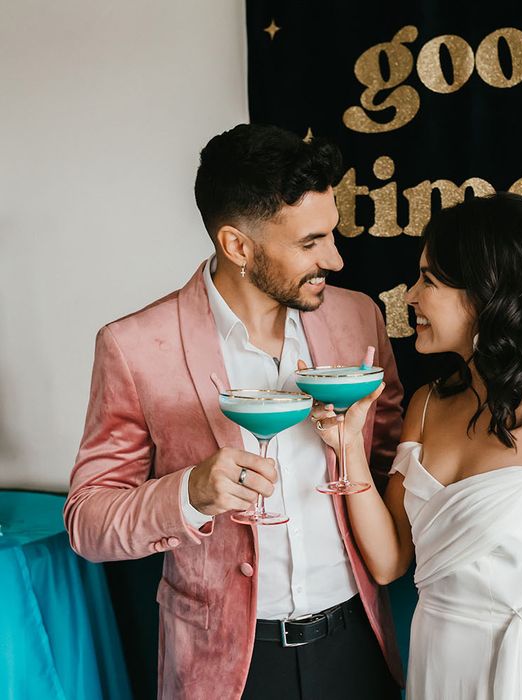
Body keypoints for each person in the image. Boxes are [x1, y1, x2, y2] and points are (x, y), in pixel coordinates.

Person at [64, 124, 404, 700]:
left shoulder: (359, 320)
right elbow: (87, 522)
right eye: (310, 243)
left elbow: (393, 462)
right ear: (238, 246)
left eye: (332, 236)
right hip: (227, 667)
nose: (336, 259)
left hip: (356, 646)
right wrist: (189, 492)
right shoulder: (135, 346)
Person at [311, 192, 522, 699]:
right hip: (436, 662)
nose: (410, 296)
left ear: (488, 295)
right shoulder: (424, 404)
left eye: (430, 281)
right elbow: (389, 560)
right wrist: (348, 447)